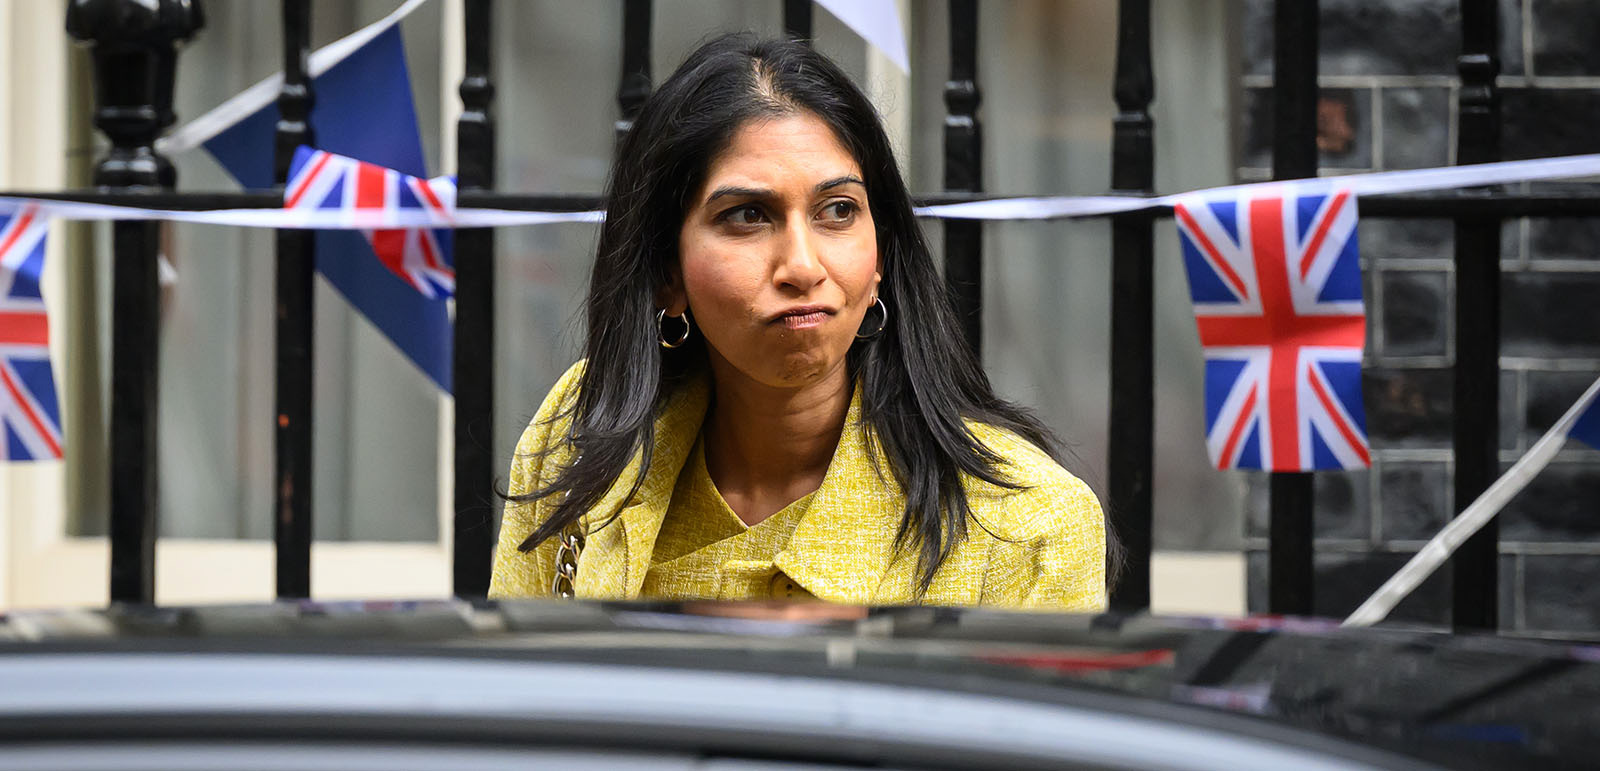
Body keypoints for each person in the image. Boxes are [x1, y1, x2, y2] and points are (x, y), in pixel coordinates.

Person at [490, 34, 1114, 610]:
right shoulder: (582, 433)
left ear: (881, 261)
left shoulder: (1027, 531)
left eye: (838, 210)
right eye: (746, 216)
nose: (801, 265)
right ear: (667, 274)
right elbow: (517, 702)